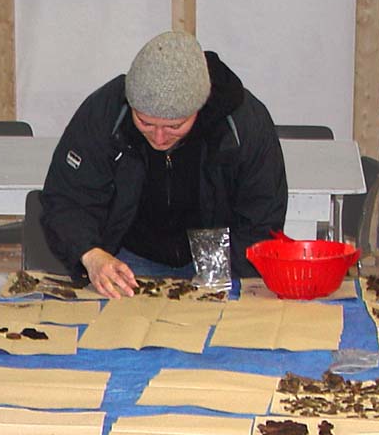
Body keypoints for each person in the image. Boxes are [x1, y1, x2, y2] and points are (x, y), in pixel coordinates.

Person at [40, 31, 288, 298]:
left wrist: (222, 275)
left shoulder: (244, 123)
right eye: (145, 123)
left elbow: (262, 215)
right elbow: (67, 198)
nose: (159, 138)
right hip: (127, 261)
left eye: (174, 126)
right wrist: (91, 255)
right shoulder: (106, 112)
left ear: (199, 108)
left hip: (220, 263)